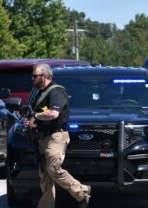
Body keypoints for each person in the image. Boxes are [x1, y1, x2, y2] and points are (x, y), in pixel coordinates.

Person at [23, 63, 91, 208]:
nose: (32, 78)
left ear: (45, 76)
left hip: (56, 137)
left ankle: (82, 191)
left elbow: (53, 114)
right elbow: (37, 115)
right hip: (42, 138)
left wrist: (36, 116)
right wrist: (29, 121)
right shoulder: (39, 93)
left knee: (53, 169)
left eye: (35, 76)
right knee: (45, 176)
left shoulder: (56, 92)